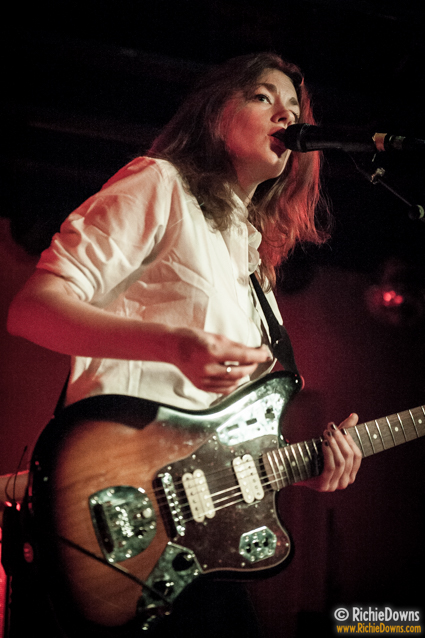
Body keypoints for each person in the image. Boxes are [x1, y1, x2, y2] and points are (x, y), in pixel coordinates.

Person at [6, 52, 362, 637]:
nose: (286, 116)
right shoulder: (159, 183)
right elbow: (32, 309)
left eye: (294, 110)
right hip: (112, 509)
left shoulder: (255, 271)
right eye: (263, 97)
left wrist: (304, 467)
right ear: (214, 113)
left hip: (197, 546)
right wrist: (171, 345)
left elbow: (219, 439)